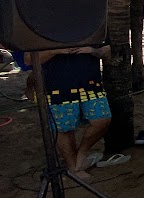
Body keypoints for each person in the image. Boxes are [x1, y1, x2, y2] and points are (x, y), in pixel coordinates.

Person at [25, 45, 113, 180]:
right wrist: (54, 50)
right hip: (56, 86)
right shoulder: (43, 27)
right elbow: (28, 59)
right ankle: (74, 167)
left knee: (102, 119)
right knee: (64, 129)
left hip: (90, 84)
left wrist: (93, 51)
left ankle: (81, 155)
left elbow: (109, 51)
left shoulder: (92, 25)